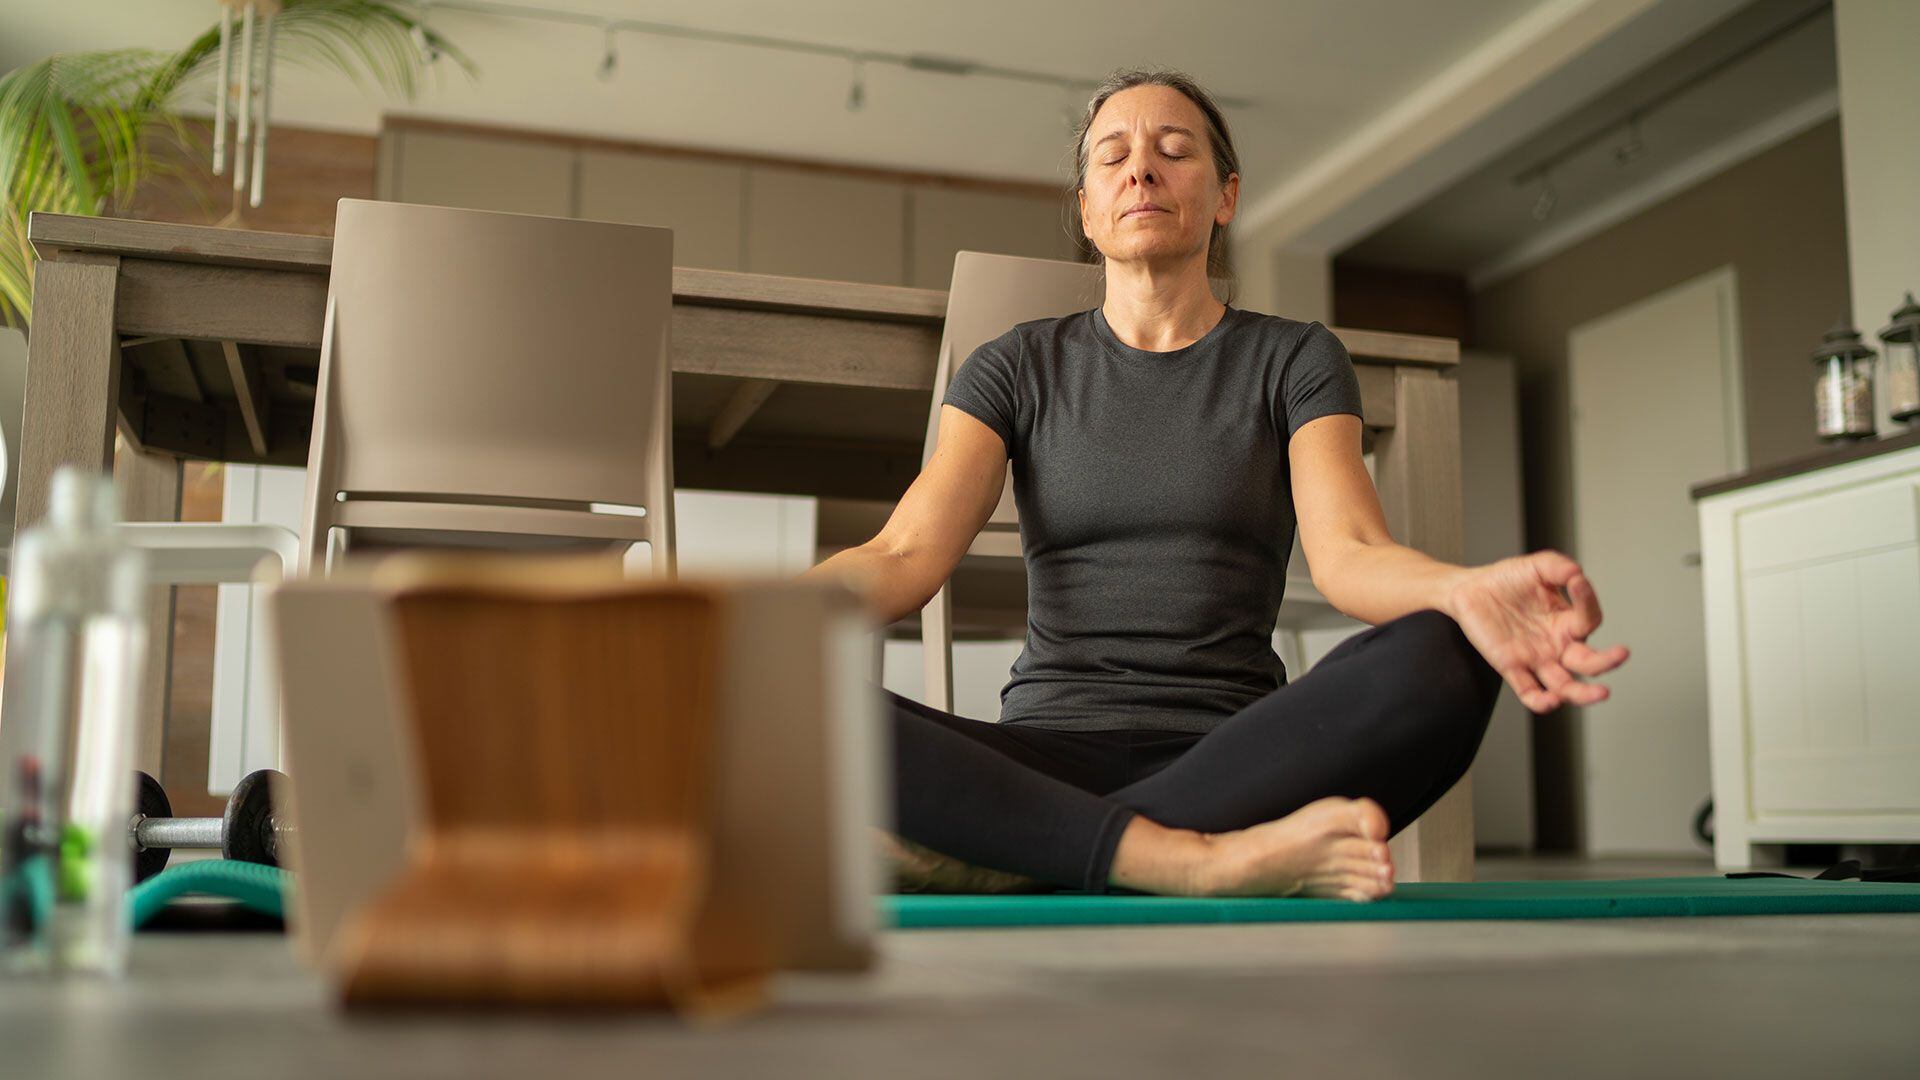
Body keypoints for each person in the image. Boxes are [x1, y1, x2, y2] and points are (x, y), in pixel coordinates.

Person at [801, 69, 1627, 901]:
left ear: (1225, 195)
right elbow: (904, 552)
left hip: (1237, 755)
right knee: (767, 689)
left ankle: (1017, 853)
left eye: (1174, 150)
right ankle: (1185, 860)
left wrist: (1469, 591)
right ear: (1088, 210)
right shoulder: (1015, 366)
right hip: (1043, 754)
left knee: (1450, 651)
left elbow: (1353, 554)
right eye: (1112, 156)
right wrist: (756, 625)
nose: (1140, 170)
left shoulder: (1295, 358)